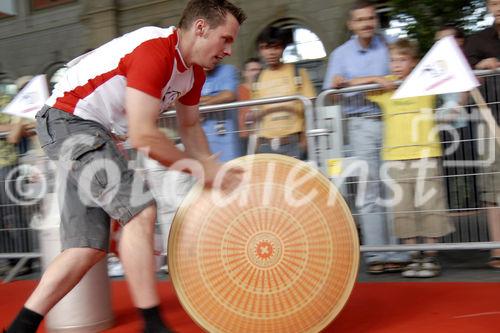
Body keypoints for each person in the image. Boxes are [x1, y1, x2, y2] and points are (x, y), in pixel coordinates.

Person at [5, 1, 246, 332]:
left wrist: (209, 174)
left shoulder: (192, 75)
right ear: (201, 28)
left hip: (88, 130)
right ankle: (152, 323)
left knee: (85, 248)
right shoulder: (156, 49)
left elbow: (190, 129)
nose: (230, 51)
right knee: (140, 211)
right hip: (69, 121)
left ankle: (19, 327)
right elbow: (144, 136)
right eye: (226, 39)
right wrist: (202, 170)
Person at [322, 0, 409, 273]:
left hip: (394, 122)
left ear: (376, 19)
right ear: (351, 24)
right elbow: (328, 94)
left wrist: (353, 83)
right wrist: (368, 80)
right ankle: (376, 255)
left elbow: (401, 76)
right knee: (370, 189)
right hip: (361, 124)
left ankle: (399, 253)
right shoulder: (340, 54)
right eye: (360, 20)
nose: (367, 24)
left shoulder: (390, 44)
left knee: (393, 187)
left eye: (370, 18)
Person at [365, 39, 455, 277]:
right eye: (393, 60)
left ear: (414, 62)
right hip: (396, 158)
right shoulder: (386, 88)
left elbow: (449, 70)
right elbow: (356, 87)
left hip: (426, 155)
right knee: (402, 208)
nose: (396, 65)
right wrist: (376, 79)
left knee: (430, 205)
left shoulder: (425, 83)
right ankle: (414, 256)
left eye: (402, 59)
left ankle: (431, 257)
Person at [465, 0, 500, 269]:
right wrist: (479, 67)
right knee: (493, 189)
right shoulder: (477, 41)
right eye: (493, 3)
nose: (497, 6)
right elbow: (461, 74)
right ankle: (497, 250)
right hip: (490, 122)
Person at [251, 26, 315, 160]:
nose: (271, 52)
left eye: (276, 47)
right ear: (260, 50)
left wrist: (305, 139)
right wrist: (255, 145)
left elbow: (310, 108)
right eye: (266, 48)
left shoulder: (298, 72)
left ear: (283, 48)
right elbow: (256, 115)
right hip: (266, 144)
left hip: (293, 142)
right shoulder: (257, 78)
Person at [200, 63, 241, 160]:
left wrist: (201, 107)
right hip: (203, 141)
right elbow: (181, 101)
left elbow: (229, 95)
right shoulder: (191, 77)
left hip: (226, 140)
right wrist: (216, 98)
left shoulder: (227, 70)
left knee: (230, 170)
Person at [237, 57, 262, 154]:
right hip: (244, 137)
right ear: (244, 73)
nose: (256, 73)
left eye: (259, 70)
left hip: (264, 135)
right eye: (252, 70)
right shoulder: (237, 91)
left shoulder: (266, 88)